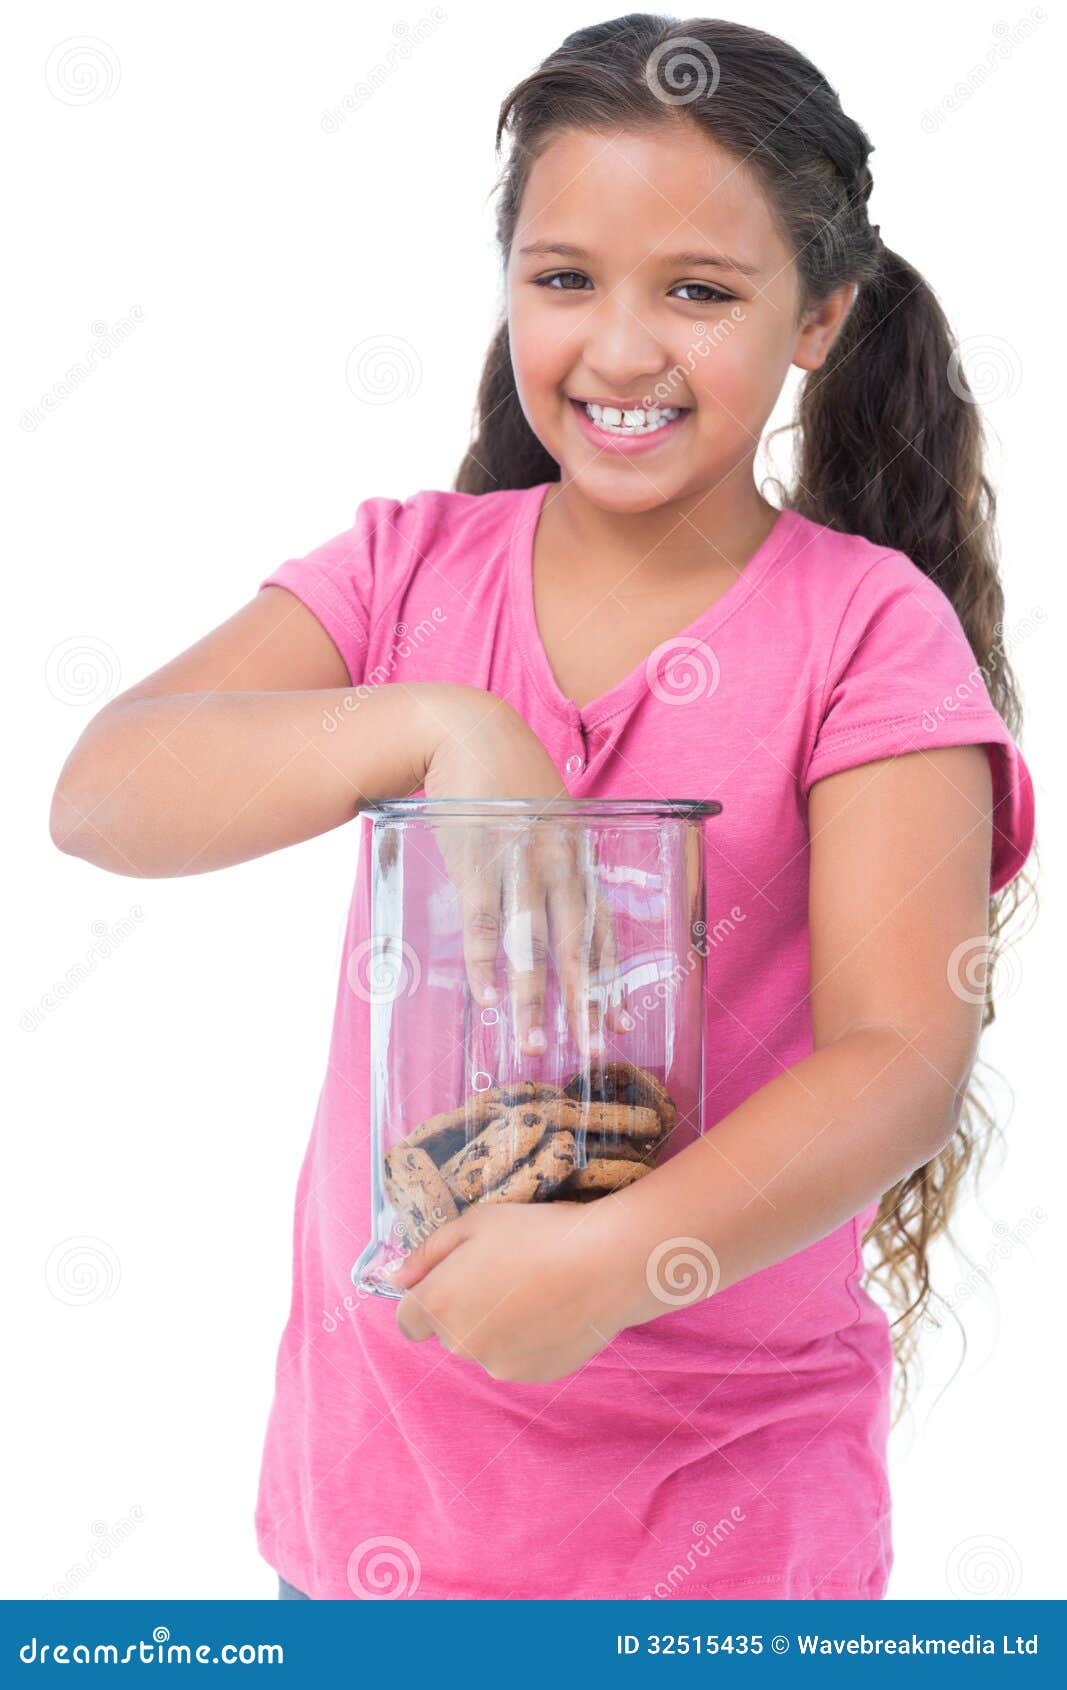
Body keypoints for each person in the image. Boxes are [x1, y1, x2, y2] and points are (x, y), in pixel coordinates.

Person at [49, 15, 1037, 1601]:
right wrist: (443, 721)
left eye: (699, 292)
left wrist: (608, 1263)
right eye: (564, 278)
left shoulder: (866, 632)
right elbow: (104, 794)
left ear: (820, 317)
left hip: (726, 1547)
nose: (622, 349)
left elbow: (900, 1060)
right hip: (373, 1515)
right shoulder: (404, 575)